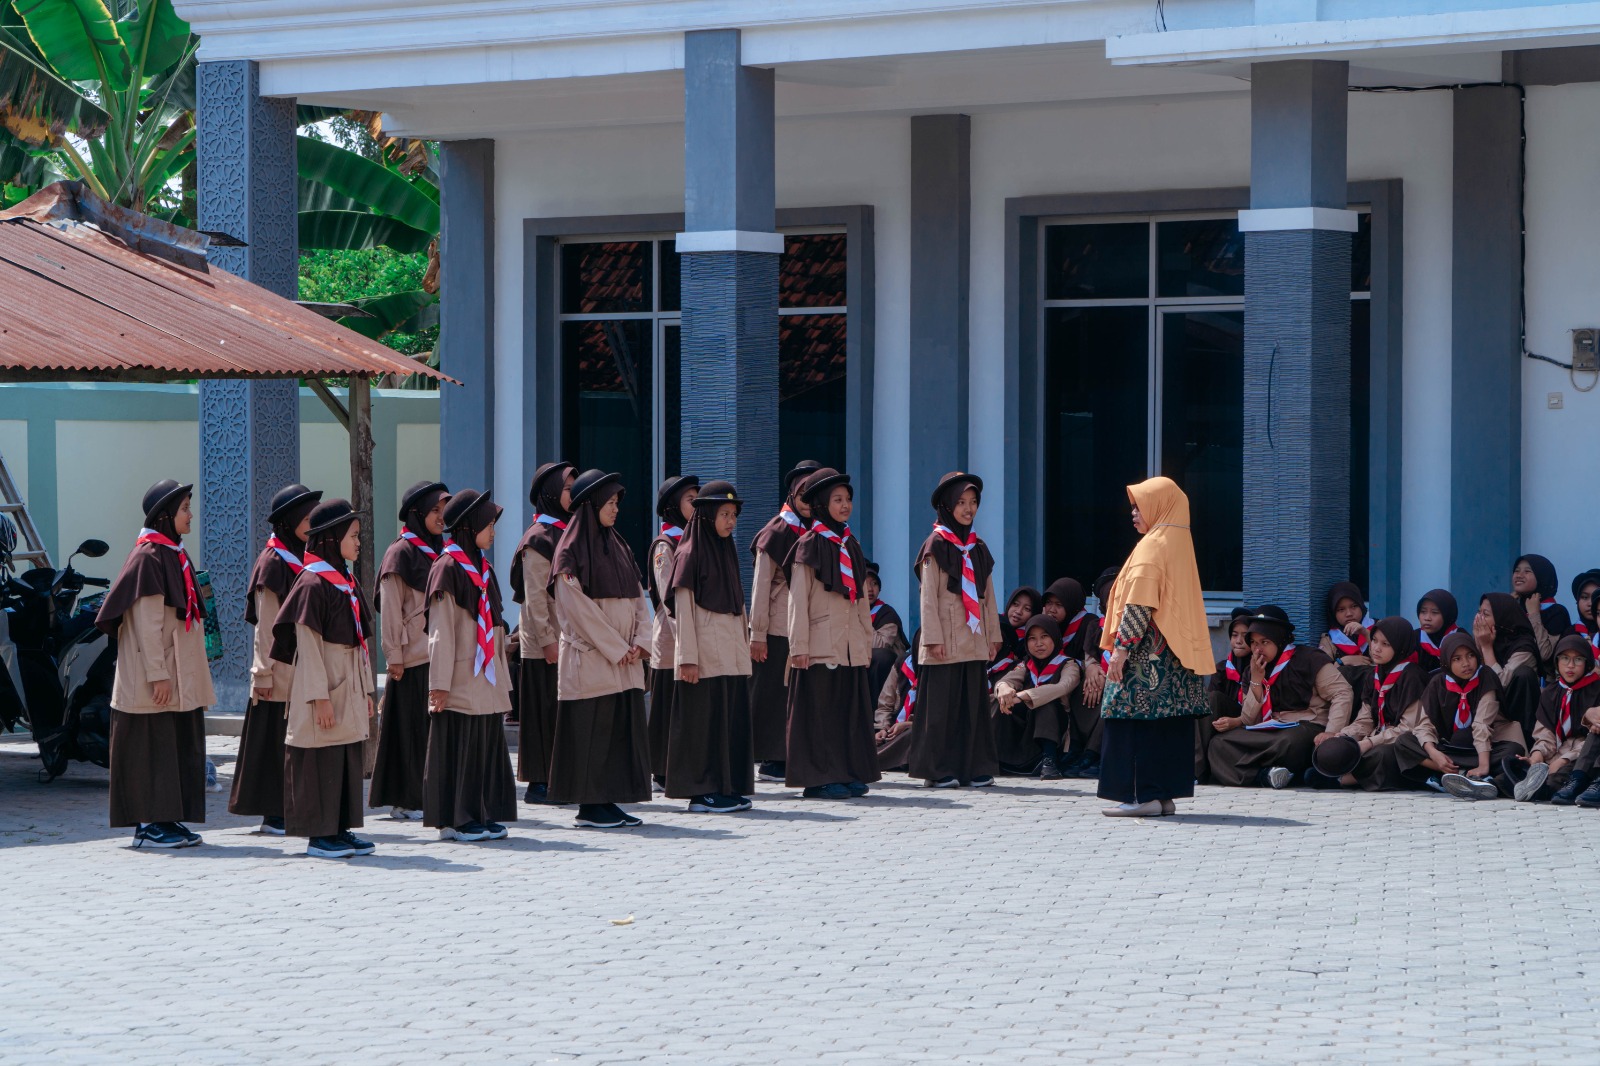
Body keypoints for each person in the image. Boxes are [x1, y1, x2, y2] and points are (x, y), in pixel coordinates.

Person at [96, 480, 216, 849]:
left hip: (177, 674)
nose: (190, 515)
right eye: (184, 509)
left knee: (172, 746)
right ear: (165, 516)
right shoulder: (148, 557)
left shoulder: (172, 553)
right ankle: (148, 826)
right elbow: (146, 625)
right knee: (151, 748)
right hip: (156, 677)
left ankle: (167, 818)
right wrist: (158, 675)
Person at [1093, 478, 1213, 816]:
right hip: (1175, 658)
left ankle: (1140, 796)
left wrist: (1121, 649)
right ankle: (1163, 796)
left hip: (1146, 657)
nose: (1133, 513)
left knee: (1132, 720)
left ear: (1159, 506)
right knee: (1168, 724)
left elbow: (1139, 604)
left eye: (1139, 506)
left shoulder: (1152, 545)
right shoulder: (1180, 542)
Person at [270, 499, 377, 859]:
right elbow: (309, 647)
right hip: (325, 683)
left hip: (348, 679)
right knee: (321, 757)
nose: (358, 542)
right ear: (332, 537)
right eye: (353, 535)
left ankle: (340, 828)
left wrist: (366, 690)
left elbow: (359, 640)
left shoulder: (344, 580)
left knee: (344, 756)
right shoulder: (312, 583)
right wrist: (319, 697)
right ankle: (320, 835)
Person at [547, 470, 653, 828]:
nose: (615, 509)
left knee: (617, 732)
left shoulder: (619, 545)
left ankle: (608, 801)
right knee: (593, 732)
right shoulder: (569, 551)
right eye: (609, 503)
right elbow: (577, 610)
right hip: (593, 659)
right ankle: (590, 806)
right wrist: (617, 647)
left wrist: (641, 642)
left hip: (624, 659)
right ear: (590, 506)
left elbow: (638, 599)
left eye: (617, 503)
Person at [424, 489, 517, 841]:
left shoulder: (483, 568)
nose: (492, 532)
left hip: (485, 676)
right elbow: (440, 632)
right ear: (468, 526)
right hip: (460, 677)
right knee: (459, 747)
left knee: (482, 747)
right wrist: (439, 684)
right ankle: (457, 820)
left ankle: (480, 812)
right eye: (487, 525)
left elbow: (495, 623)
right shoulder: (447, 567)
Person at [782, 467, 880, 799]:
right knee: (821, 714)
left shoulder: (851, 544)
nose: (845, 505)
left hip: (849, 646)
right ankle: (820, 778)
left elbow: (861, 600)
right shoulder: (808, 545)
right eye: (837, 499)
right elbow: (797, 601)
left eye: (848, 499)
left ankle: (846, 771)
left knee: (846, 712)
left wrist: (865, 642)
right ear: (822, 504)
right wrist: (799, 646)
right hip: (819, 645)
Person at [230, 482, 321, 835]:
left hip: (300, 667)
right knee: (274, 743)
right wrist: (263, 674)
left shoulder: (304, 558)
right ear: (290, 520)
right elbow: (266, 626)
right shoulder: (273, 563)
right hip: (278, 671)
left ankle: (292, 809)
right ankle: (274, 814)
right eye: (307, 518)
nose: (313, 525)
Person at [908, 471, 1002, 789]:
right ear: (947, 506)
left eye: (973, 502)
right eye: (961, 502)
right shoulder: (935, 545)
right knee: (941, 710)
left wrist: (993, 636)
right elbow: (928, 597)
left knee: (972, 706)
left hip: (974, 639)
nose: (968, 509)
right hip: (945, 640)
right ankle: (937, 770)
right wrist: (932, 638)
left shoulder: (978, 547)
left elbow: (988, 596)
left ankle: (973, 767)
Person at [664, 481, 754, 813]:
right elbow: (683, 611)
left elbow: (738, 606)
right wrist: (687, 658)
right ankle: (702, 793)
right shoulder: (689, 554)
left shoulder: (725, 550)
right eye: (724, 514)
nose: (731, 521)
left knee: (724, 724)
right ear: (706, 516)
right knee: (703, 725)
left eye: (734, 515)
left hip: (729, 656)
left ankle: (723, 787)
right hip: (703, 659)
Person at [1206, 604, 1354, 789]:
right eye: (1254, 643)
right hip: (1270, 728)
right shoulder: (1252, 669)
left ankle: (1264, 770)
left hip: (1305, 725)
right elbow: (1249, 719)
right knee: (1219, 744)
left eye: (1265, 642)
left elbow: (1342, 692)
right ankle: (1265, 776)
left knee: (1288, 743)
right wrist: (1256, 681)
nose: (1258, 649)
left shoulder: (1309, 659)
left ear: (1279, 639)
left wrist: (1331, 732)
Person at [369, 479, 448, 820]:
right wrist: (394, 657)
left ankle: (420, 797)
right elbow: (390, 609)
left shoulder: (440, 550)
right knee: (410, 734)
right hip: (411, 658)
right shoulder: (399, 553)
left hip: (435, 656)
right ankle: (408, 800)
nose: (441, 517)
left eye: (444, 511)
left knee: (426, 734)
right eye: (434, 511)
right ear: (417, 513)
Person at [1443, 634, 1598, 803]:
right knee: (1519, 768)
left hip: (1580, 757)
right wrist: (1536, 757)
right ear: (1556, 661)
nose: (1570, 665)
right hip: (1554, 754)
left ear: (1587, 663)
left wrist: (1563, 760)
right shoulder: (1551, 692)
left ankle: (1535, 790)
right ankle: (1489, 785)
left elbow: (1593, 741)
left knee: (1560, 776)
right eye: (1565, 658)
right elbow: (1544, 734)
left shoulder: (1596, 690)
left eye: (1578, 660)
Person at [747, 459, 821, 782]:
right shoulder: (776, 530)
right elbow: (760, 586)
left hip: (808, 624)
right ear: (791, 493)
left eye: (812, 494)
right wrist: (757, 633)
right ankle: (772, 759)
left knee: (797, 693)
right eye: (802, 493)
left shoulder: (819, 531)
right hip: (777, 626)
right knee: (774, 693)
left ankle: (793, 753)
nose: (807, 501)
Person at [509, 462, 575, 804]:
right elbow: (535, 597)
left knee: (559, 713)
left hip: (566, 638)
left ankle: (558, 778)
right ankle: (538, 783)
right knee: (542, 712)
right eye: (567, 489)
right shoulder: (538, 538)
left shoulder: (565, 531)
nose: (573, 495)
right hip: (543, 643)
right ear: (549, 494)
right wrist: (548, 640)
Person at [1391, 631, 1525, 792]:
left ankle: (1470, 775)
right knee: (1404, 742)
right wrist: (1434, 754)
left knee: (1513, 751)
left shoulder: (1485, 676)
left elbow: (1482, 724)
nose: (1466, 663)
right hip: (1450, 748)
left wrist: (1483, 765)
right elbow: (1425, 725)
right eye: (1457, 659)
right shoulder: (1438, 683)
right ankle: (1455, 773)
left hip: (1485, 747)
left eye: (1470, 656)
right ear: (1447, 661)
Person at [646, 475, 700, 786]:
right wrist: (687, 642)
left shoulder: (696, 541)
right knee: (668, 709)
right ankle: (662, 770)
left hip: (693, 641)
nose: (696, 504)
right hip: (672, 642)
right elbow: (671, 602)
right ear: (672, 506)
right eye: (690, 500)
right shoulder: (665, 545)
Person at [1335, 617, 1429, 791]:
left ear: (1400, 647)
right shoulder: (1375, 674)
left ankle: (1342, 780)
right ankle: (1341, 775)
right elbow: (1365, 719)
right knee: (1337, 746)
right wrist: (1346, 735)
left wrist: (1370, 743)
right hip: (1378, 736)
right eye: (1374, 640)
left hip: (1404, 742)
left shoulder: (1413, 677)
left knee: (1381, 754)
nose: (1376, 648)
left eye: (1386, 644)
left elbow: (1408, 728)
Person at [992, 615, 1080, 779]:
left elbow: (1063, 687)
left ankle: (1049, 760)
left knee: (1046, 704)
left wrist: (1024, 695)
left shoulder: (1069, 664)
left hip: (1056, 729)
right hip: (1027, 728)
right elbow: (1008, 680)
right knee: (998, 700)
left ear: (1055, 637)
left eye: (1044, 636)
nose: (1038, 643)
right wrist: (1004, 688)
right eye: (1032, 638)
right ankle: (995, 757)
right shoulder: (1026, 664)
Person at [1043, 577, 1104, 778]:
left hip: (1084, 680)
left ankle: (1087, 752)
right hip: (1057, 681)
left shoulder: (1088, 623)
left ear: (1072, 604)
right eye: (1048, 603)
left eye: (1059, 605)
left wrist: (1090, 670)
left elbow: (1093, 656)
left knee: (1090, 690)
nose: (1052, 609)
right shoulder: (1045, 625)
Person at [1473, 592, 1542, 739]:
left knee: (1524, 674)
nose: (1479, 618)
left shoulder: (1524, 647)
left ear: (1502, 618)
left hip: (1515, 713)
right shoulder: (1485, 637)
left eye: (1485, 614)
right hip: (1486, 709)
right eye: (1479, 612)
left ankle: (1526, 742)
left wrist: (1486, 648)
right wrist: (1478, 644)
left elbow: (1500, 683)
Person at [1197, 607, 1252, 782]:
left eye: (1245, 636)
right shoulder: (1222, 668)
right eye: (1234, 635)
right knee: (1210, 699)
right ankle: (1197, 769)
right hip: (1223, 716)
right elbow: (1212, 704)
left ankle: (1198, 769)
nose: (1239, 641)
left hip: (1249, 716)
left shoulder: (1260, 666)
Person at [1512, 553, 1571, 670]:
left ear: (1542, 577)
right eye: (1516, 571)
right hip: (1509, 673)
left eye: (1527, 571)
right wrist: (1504, 609)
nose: (1519, 575)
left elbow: (1544, 654)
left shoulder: (1556, 612)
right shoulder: (1515, 608)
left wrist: (1534, 615)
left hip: (1542, 678)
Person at [874, 630, 921, 773]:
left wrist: (908, 724)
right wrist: (883, 728)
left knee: (915, 735)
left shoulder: (941, 672)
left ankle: (871, 761)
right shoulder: (902, 664)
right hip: (894, 728)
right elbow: (885, 705)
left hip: (918, 728)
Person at [863, 561, 908, 699]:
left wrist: (861, 617)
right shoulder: (847, 611)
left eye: (874, 584)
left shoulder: (887, 613)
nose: (870, 589)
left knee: (881, 656)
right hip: (863, 671)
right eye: (865, 583)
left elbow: (880, 644)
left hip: (886, 675)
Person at [987, 586, 1042, 688]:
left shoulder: (1030, 643)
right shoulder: (993, 624)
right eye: (1015, 604)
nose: (1018, 611)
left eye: (1027, 609)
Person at [1414, 589, 1460, 673]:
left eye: (1434, 612)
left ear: (1447, 615)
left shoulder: (1459, 638)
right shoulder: (1414, 638)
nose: (1427, 618)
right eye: (1423, 612)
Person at [1570, 569, 1600, 637]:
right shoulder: (1569, 634)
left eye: (1596, 597)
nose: (1590, 604)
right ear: (1577, 601)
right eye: (1585, 597)